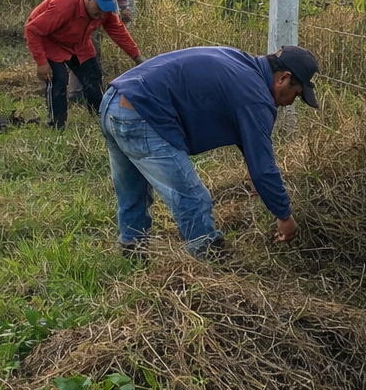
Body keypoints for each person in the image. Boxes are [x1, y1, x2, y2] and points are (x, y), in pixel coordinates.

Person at [99, 44, 319, 259]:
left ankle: (132, 251)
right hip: (142, 116)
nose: (291, 103)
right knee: (192, 197)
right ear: (283, 78)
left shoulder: (240, 63)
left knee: (132, 192)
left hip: (114, 101)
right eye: (297, 94)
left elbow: (252, 145)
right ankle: (209, 260)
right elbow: (264, 167)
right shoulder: (255, 96)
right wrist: (284, 216)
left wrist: (257, 176)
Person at [25, 0, 143, 130]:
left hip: (78, 41)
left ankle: (100, 120)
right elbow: (32, 30)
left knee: (93, 76)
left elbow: (118, 31)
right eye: (99, 7)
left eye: (105, 8)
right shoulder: (63, 6)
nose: (102, 13)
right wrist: (41, 62)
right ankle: (56, 126)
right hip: (51, 39)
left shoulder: (103, 12)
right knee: (58, 79)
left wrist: (137, 57)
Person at [60, 0, 131, 102]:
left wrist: (124, 6)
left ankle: (89, 92)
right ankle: (75, 94)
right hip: (77, 14)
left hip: (99, 14)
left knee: (93, 51)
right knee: (78, 51)